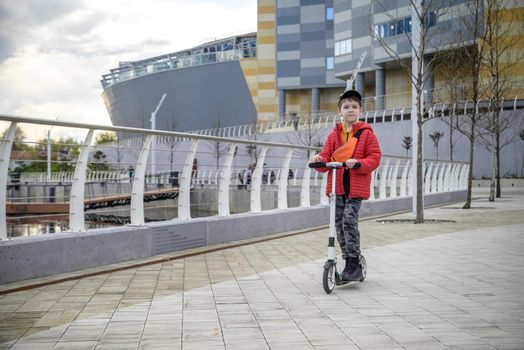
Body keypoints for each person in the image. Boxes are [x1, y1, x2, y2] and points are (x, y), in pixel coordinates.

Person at [311, 90, 381, 281]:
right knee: (338, 225)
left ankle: (354, 263)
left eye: (354, 107)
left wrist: (358, 163)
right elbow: (326, 157)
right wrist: (319, 159)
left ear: (360, 110)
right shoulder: (334, 135)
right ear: (339, 110)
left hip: (355, 189)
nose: (350, 110)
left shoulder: (366, 134)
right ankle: (348, 259)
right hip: (337, 188)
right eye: (346, 107)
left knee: (349, 220)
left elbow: (374, 158)